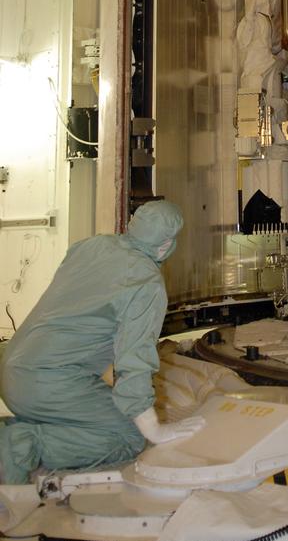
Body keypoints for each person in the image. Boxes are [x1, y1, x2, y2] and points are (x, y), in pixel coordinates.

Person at [0, 200, 205, 484]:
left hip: (13, 367)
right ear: (165, 245)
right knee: (126, 435)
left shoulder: (91, 246)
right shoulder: (146, 282)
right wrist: (154, 429)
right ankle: (18, 444)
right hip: (47, 384)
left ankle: (20, 432)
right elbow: (134, 358)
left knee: (91, 415)